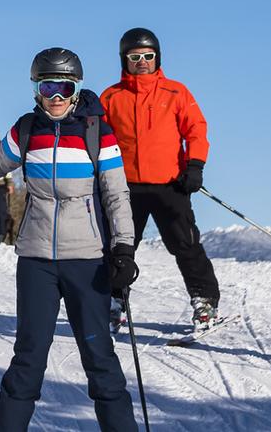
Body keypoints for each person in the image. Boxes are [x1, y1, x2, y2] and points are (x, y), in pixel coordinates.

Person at [0, 47, 138, 431]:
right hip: (36, 259)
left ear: (76, 89)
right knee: (28, 358)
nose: (55, 98)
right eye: (47, 87)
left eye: (63, 88)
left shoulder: (96, 130)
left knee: (99, 356)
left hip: (87, 259)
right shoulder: (27, 130)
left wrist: (123, 248)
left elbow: (116, 193)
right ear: (36, 88)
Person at [99, 27, 219, 332]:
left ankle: (204, 300)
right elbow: (98, 138)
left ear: (157, 58)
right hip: (125, 187)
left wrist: (195, 166)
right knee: (119, 247)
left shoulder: (176, 92)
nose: (142, 62)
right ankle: (113, 301)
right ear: (124, 60)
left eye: (148, 56)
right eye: (135, 56)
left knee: (186, 244)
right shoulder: (111, 97)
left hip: (170, 184)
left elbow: (196, 129)